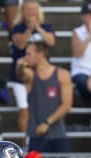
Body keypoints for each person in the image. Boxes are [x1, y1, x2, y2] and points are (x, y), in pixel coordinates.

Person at [17, 40, 72, 158]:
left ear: (40, 54)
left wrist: (48, 122)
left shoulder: (62, 75)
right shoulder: (31, 75)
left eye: (30, 53)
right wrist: (19, 66)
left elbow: (66, 105)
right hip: (35, 135)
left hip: (57, 135)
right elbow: (21, 75)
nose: (27, 57)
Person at [8, 0, 55, 137]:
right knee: (24, 110)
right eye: (27, 9)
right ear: (22, 12)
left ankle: (42, 136)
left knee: (42, 109)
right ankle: (25, 140)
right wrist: (29, 29)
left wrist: (38, 28)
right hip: (21, 76)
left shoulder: (46, 26)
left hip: (41, 75)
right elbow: (20, 45)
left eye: (33, 9)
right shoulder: (17, 28)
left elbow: (51, 42)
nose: (30, 13)